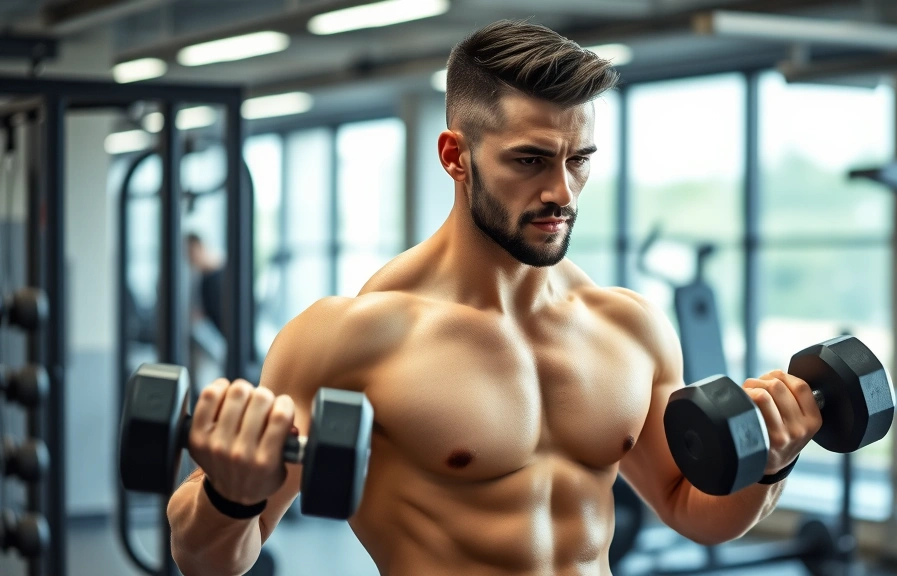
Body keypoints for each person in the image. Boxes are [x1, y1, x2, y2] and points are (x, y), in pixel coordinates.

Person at [167, 20, 823, 576]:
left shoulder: (631, 326)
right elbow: (208, 559)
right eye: (530, 160)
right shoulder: (351, 338)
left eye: (579, 160)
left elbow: (691, 510)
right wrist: (229, 496)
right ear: (456, 156)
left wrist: (771, 464)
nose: (562, 192)